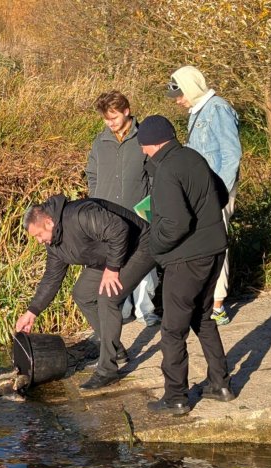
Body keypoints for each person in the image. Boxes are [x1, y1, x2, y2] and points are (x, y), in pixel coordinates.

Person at [136, 115, 235, 416]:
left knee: (172, 330)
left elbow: (176, 224)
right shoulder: (193, 157)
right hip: (215, 250)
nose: (142, 152)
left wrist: (154, 246)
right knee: (203, 318)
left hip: (187, 259)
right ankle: (220, 383)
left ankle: (176, 396)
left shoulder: (166, 170)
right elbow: (219, 195)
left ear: (151, 143)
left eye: (143, 147)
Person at [15, 194, 156, 390]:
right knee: (82, 293)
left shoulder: (80, 214)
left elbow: (119, 229)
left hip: (140, 245)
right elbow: (51, 278)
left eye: (39, 235)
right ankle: (115, 350)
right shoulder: (54, 244)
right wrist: (32, 312)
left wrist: (113, 268)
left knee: (108, 297)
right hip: (109, 257)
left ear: (48, 222)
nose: (39, 241)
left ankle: (107, 370)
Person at [166, 66, 242, 325]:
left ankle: (218, 305)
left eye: (180, 94)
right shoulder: (196, 112)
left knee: (216, 244)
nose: (177, 100)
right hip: (201, 192)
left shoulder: (218, 109)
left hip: (216, 191)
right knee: (203, 245)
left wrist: (219, 193)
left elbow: (231, 154)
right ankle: (207, 299)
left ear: (191, 87)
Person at [86, 90, 161, 326]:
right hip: (107, 217)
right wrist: (96, 199)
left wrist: (150, 205)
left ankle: (146, 310)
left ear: (126, 111)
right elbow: (92, 174)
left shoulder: (143, 137)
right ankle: (121, 309)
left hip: (139, 214)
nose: (110, 123)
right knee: (114, 262)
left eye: (114, 117)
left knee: (143, 265)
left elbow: (154, 175)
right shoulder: (100, 141)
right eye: (106, 119)